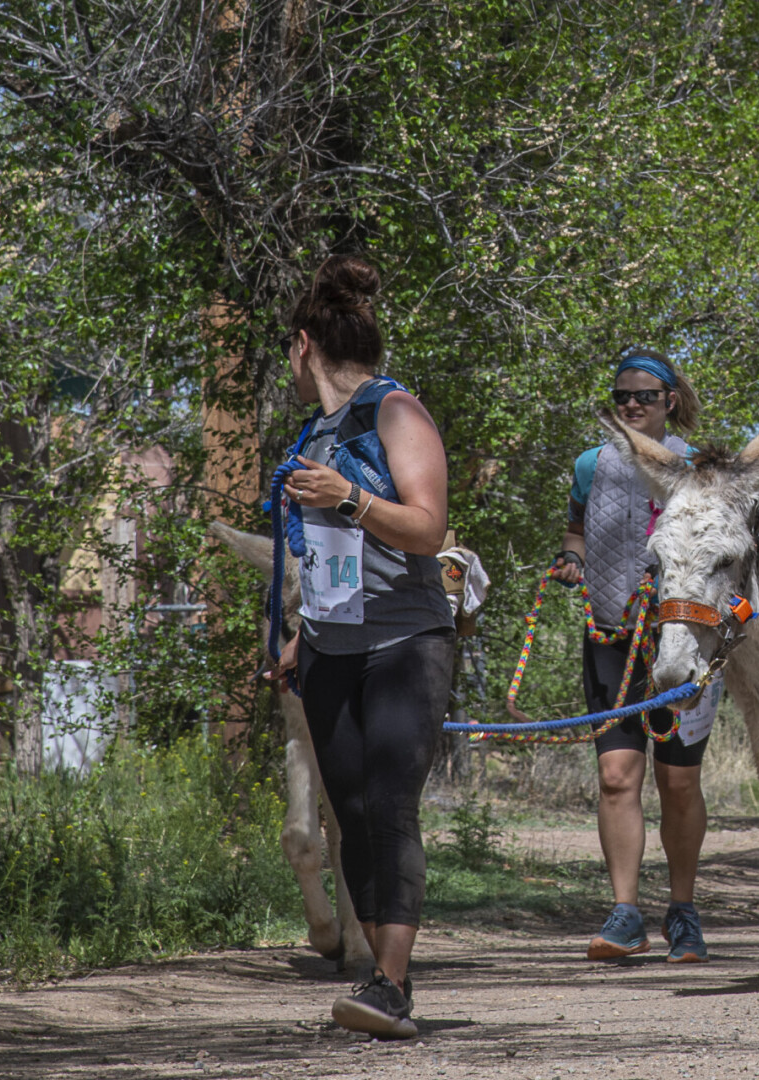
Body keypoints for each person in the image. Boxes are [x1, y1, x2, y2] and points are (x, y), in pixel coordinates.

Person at [267, 255, 454, 1039]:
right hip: (330, 647)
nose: (288, 365)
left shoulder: (395, 411)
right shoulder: (315, 430)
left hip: (406, 640)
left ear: (305, 344)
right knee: (349, 810)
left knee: (388, 807)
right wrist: (298, 637)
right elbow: (324, 556)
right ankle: (385, 986)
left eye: (288, 351)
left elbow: (427, 527)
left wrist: (348, 493)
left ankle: (390, 982)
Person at [552, 349, 713, 964]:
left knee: (678, 780)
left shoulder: (700, 467)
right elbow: (574, 530)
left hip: (684, 642)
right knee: (617, 776)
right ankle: (625, 914)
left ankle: (682, 911)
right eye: (621, 396)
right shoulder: (590, 466)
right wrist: (573, 560)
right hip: (611, 636)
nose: (631, 404)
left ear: (670, 400)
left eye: (643, 395)